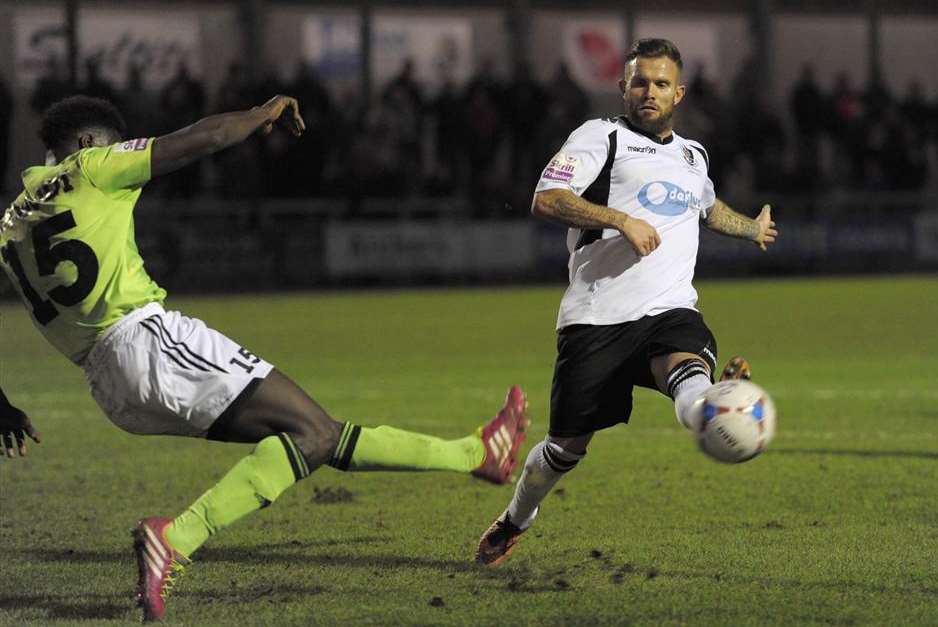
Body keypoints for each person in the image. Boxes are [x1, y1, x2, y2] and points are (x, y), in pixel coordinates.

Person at [0, 94, 530, 621]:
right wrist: (260, 115)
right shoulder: (91, 165)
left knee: (313, 435)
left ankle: (474, 454)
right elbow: (199, 139)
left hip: (109, 387)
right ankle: (176, 536)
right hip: (147, 342)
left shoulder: (11, 223)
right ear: (91, 142)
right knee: (312, 434)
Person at [475, 38, 777, 566]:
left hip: (670, 310)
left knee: (688, 374)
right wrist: (620, 219)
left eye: (661, 84)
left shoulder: (693, 154)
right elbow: (547, 198)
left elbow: (707, 207)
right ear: (623, 87)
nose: (649, 92)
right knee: (565, 449)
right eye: (639, 82)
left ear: (678, 93)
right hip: (597, 318)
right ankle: (517, 518)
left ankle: (716, 400)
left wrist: (751, 227)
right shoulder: (601, 137)